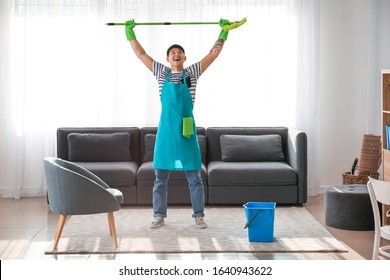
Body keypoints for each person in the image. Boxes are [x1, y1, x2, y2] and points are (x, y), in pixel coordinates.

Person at [125, 18, 232, 229]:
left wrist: (223, 33)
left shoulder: (191, 73)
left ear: (184, 57)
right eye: (172, 52)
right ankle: (159, 215)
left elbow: (213, 54)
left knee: (195, 178)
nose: (176, 54)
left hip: (186, 132)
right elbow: (141, 54)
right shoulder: (161, 73)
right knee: (160, 179)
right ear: (167, 58)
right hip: (165, 133)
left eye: (179, 52)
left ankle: (199, 215)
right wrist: (131, 34)